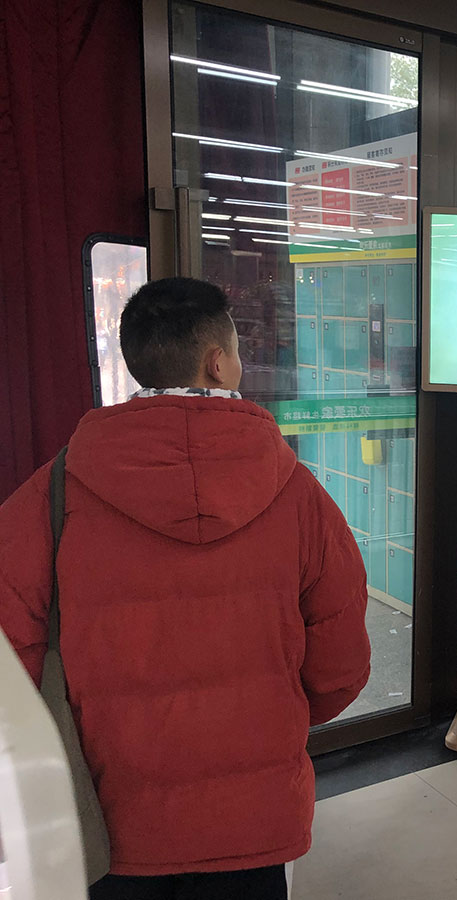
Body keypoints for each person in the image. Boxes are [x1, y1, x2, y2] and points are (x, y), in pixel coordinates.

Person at [0, 277, 372, 900]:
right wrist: (274, 719)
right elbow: (340, 661)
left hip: (111, 817)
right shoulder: (298, 493)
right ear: (217, 362)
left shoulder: (53, 493)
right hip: (255, 813)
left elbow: (11, 655)